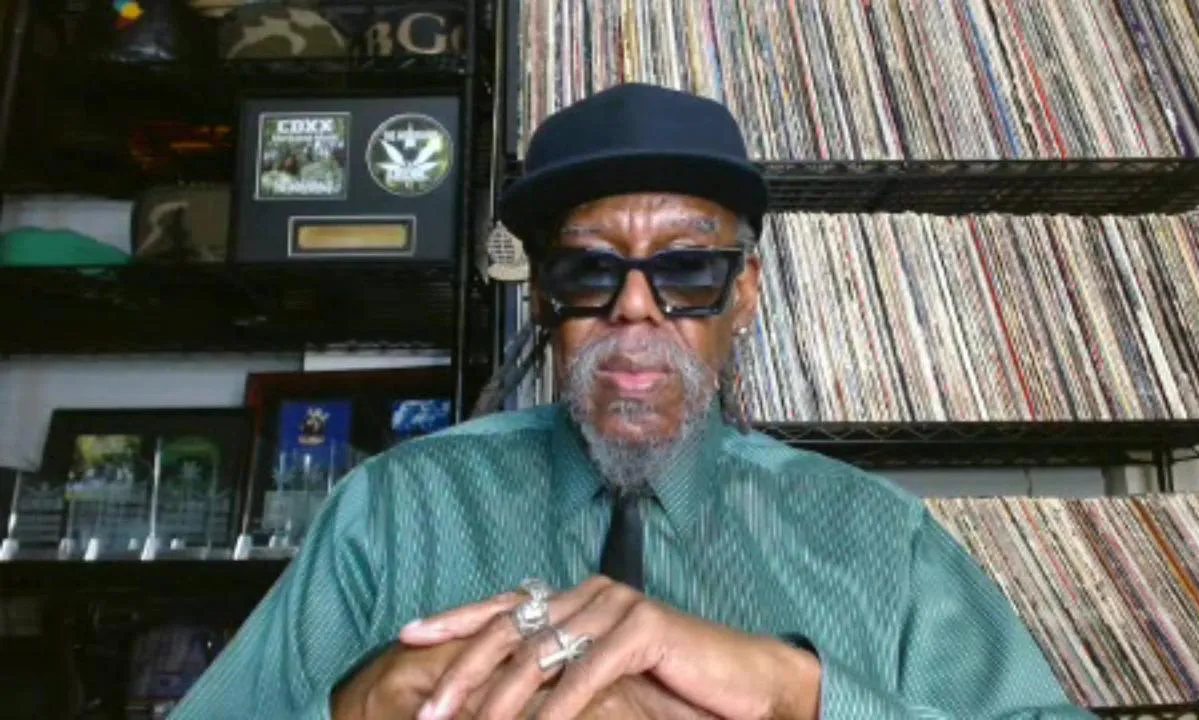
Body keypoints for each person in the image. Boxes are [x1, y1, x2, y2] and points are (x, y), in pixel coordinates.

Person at [171, 83, 1095, 719]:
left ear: (744, 294)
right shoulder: (393, 509)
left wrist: (797, 693)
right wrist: (359, 705)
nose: (636, 308)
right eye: (589, 269)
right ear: (543, 298)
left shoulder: (879, 538)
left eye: (687, 268)